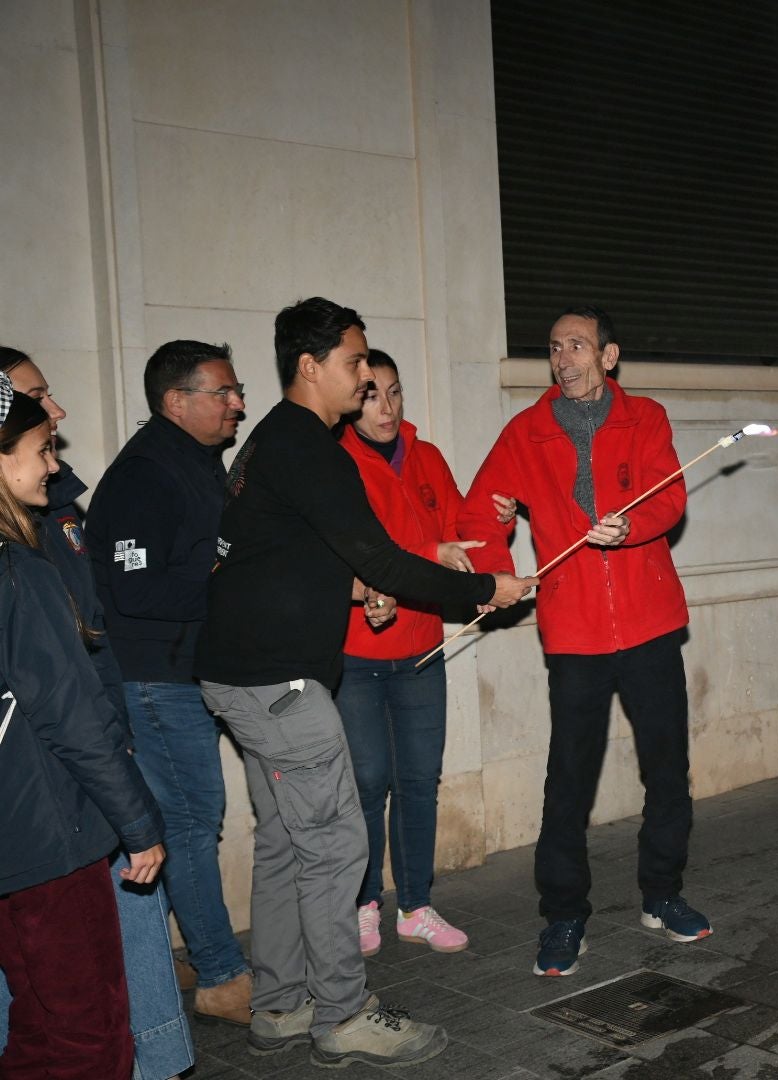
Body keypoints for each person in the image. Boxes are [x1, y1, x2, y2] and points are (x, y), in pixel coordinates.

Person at [194, 297, 536, 1069]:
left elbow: (278, 556)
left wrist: (350, 592)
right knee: (337, 843)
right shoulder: (308, 445)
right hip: (278, 683)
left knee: (285, 842)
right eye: (354, 362)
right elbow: (377, 553)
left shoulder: (273, 442)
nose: (364, 376)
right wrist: (484, 587)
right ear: (310, 366)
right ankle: (343, 1013)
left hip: (241, 672)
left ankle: (281, 1004)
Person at [458, 305, 710, 979]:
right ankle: (564, 916)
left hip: (650, 622)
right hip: (574, 631)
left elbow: (670, 498)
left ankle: (663, 894)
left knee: (667, 768)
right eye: (555, 347)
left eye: (577, 345)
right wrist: (496, 565)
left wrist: (631, 527)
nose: (564, 357)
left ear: (608, 355)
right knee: (568, 780)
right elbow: (479, 507)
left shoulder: (646, 418)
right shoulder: (527, 430)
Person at [0, 347, 195, 1078]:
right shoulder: (20, 570)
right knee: (90, 1035)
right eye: (38, 449)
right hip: (52, 835)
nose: (52, 465)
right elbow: (70, 712)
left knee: (36, 1029)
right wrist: (138, 822)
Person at [85, 340, 255, 1027]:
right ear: (176, 401)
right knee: (188, 824)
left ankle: (166, 953)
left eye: (236, 390)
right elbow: (133, 589)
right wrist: (222, 579)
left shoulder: (194, 464)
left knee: (170, 826)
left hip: (184, 671)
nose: (238, 403)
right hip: (155, 677)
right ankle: (219, 974)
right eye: (223, 392)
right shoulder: (144, 477)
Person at [334, 349, 515, 957]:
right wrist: (416, 561)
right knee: (366, 780)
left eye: (394, 392)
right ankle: (363, 904)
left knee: (418, 779)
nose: (385, 408)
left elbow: (463, 529)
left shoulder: (427, 456)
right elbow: (355, 550)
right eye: (370, 395)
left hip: (419, 644)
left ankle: (415, 904)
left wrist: (501, 523)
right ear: (348, 397)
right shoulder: (335, 460)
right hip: (355, 649)